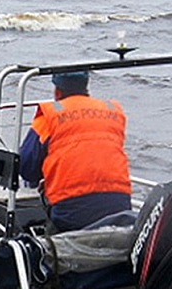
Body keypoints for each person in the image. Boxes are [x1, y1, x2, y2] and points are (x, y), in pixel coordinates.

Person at [18, 71, 132, 233]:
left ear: (57, 91)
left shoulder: (51, 115)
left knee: (47, 239)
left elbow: (27, 166)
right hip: (119, 207)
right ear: (86, 86)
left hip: (71, 213)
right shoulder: (112, 111)